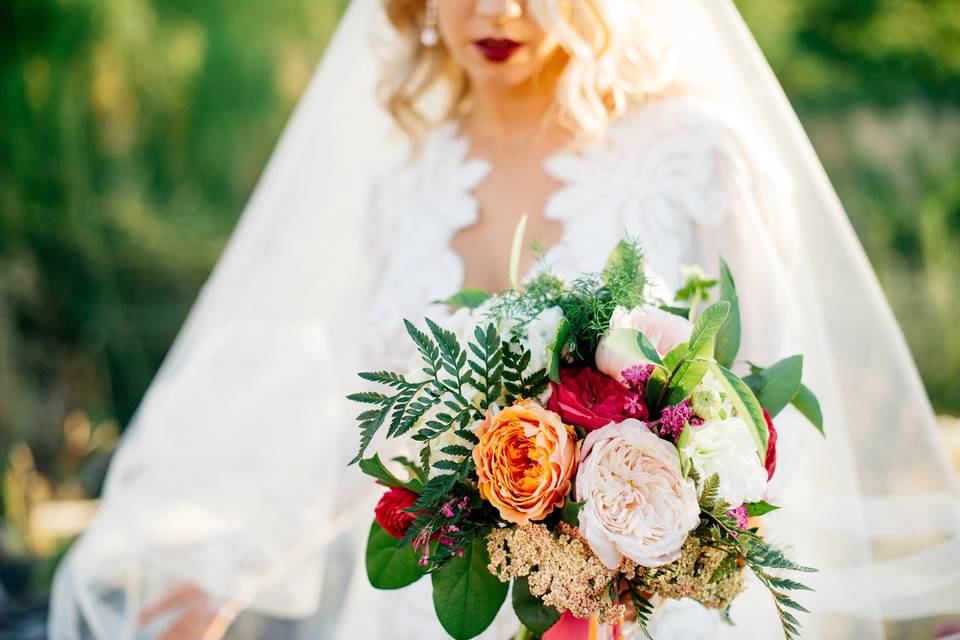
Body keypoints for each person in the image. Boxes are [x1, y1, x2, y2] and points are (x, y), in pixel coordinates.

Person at [49, 1, 960, 639]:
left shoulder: (694, 155)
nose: (499, 9)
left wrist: (637, 554)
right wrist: (233, 575)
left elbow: (766, 427)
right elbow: (364, 432)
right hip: (431, 618)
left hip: (656, 617)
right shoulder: (403, 186)